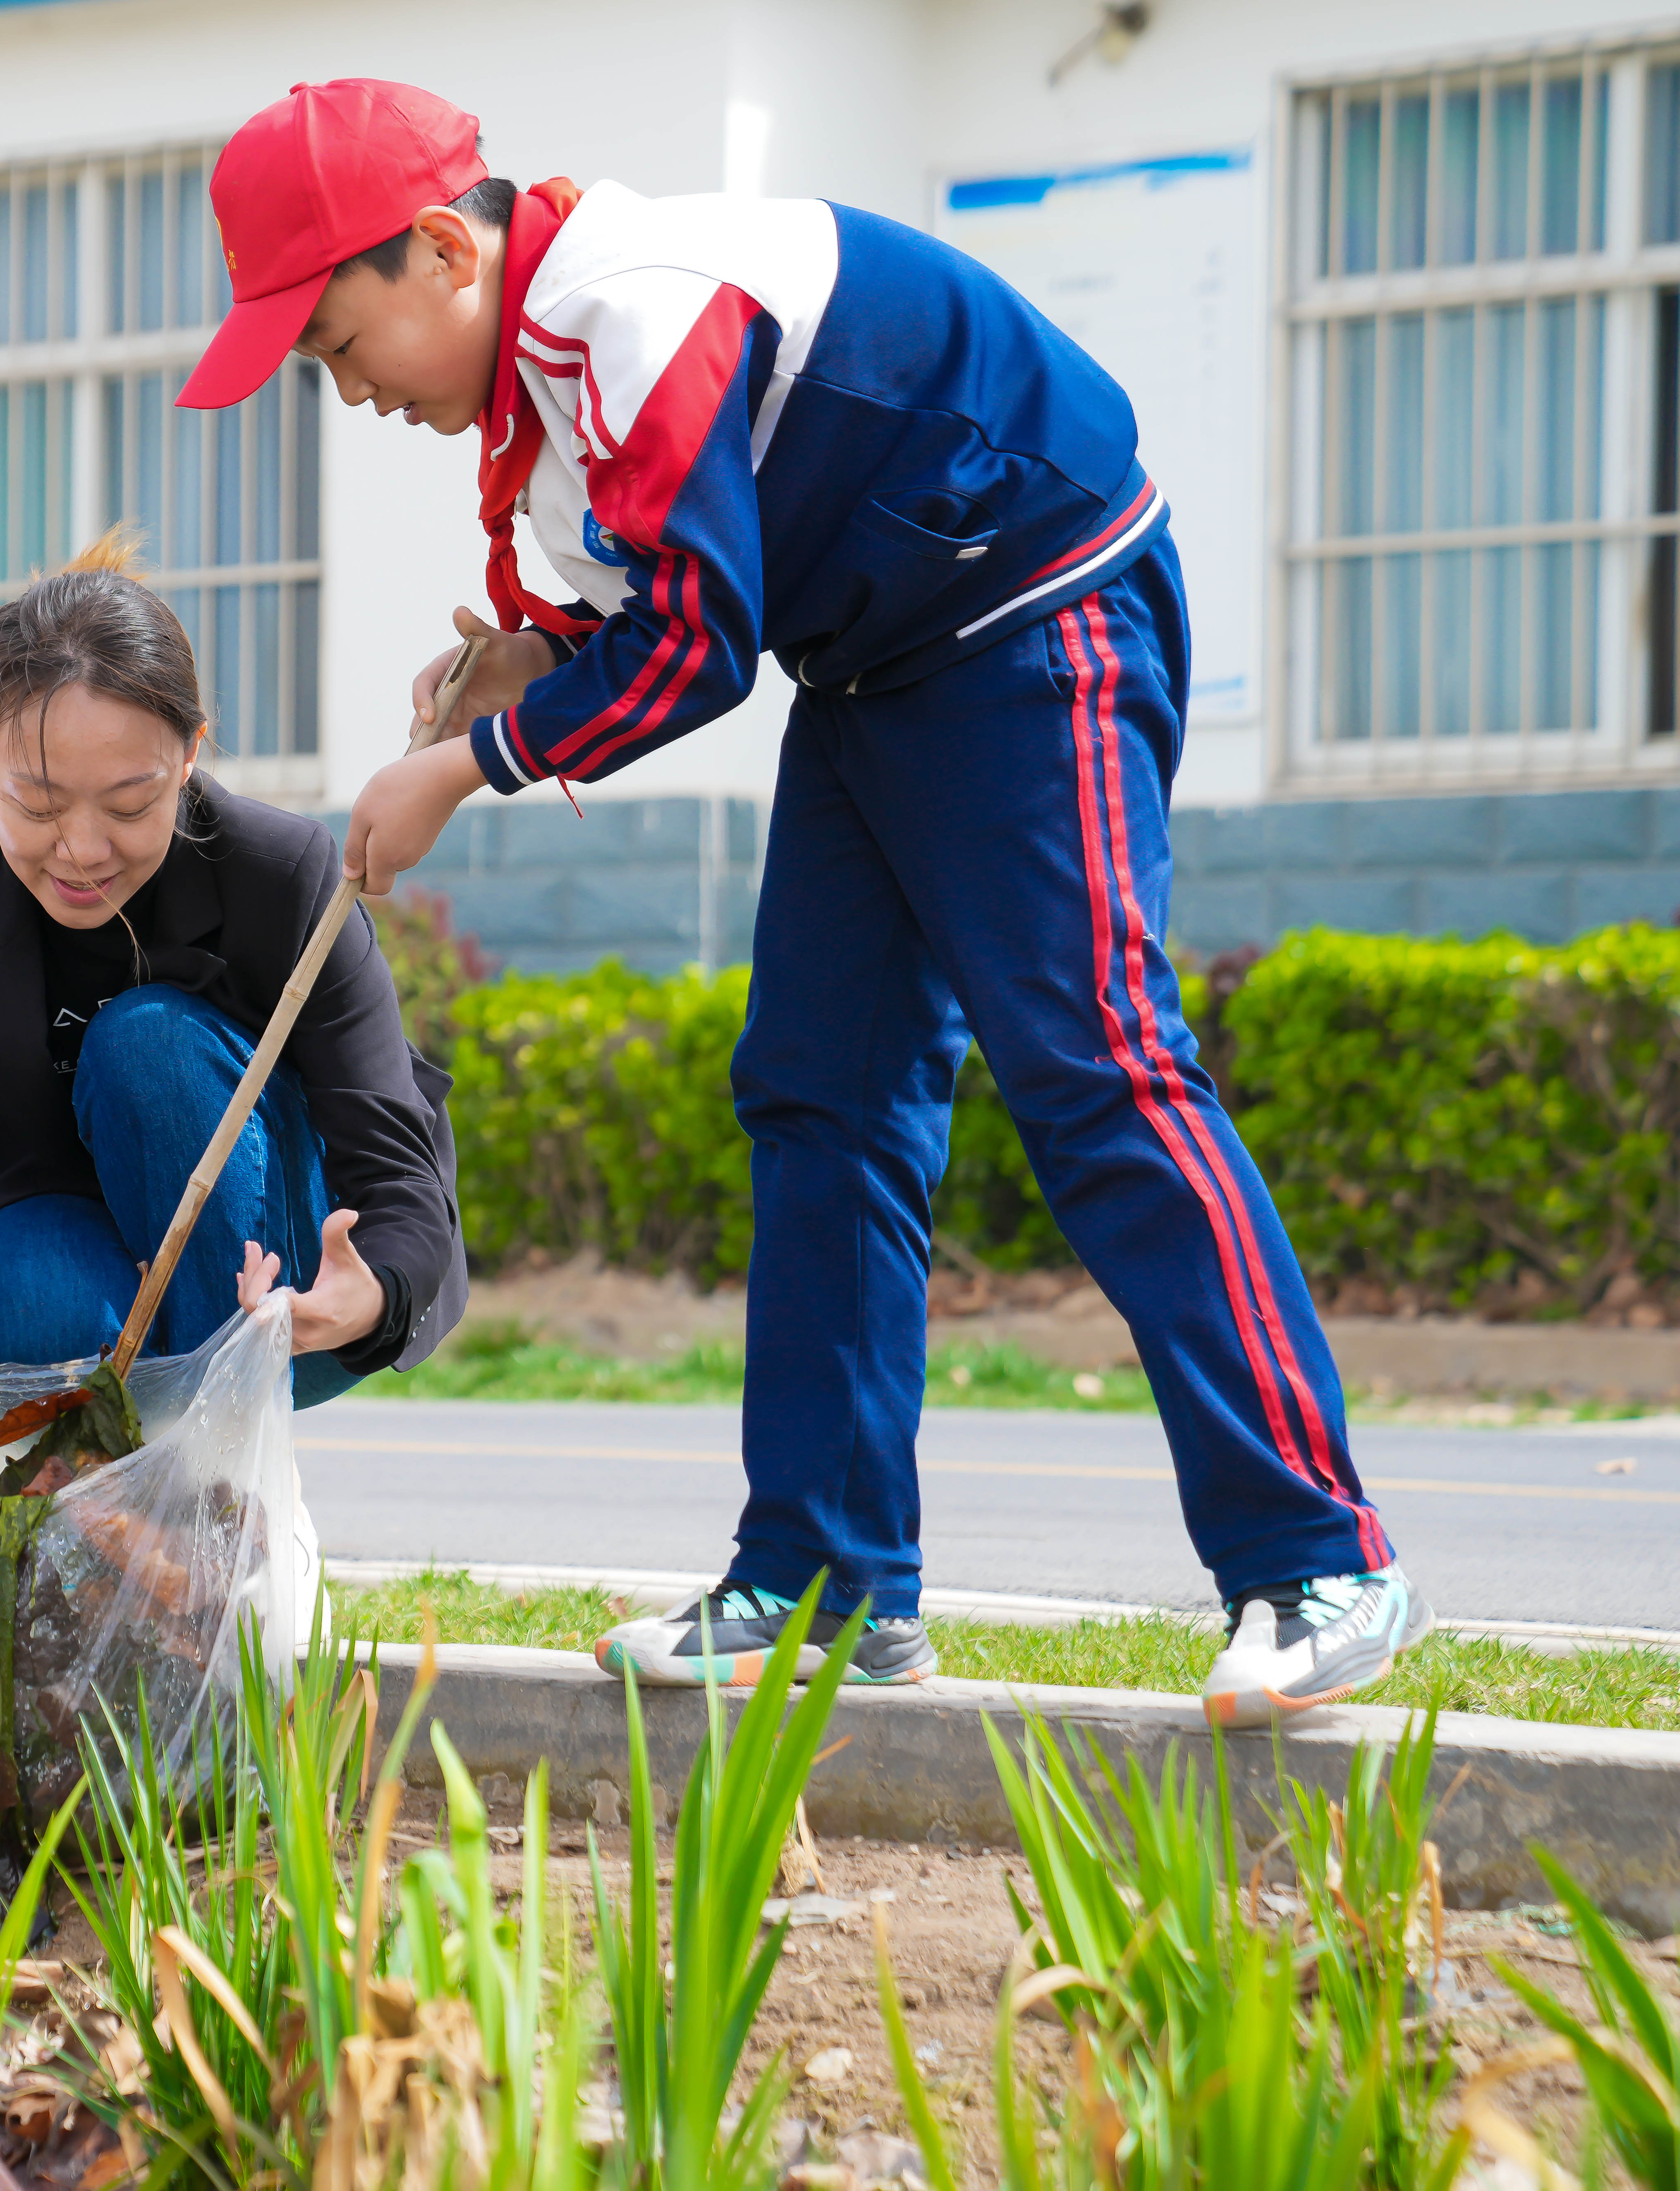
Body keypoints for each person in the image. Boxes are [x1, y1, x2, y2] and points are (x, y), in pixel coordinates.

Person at [176, 79, 1421, 1727]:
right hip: (876, 664)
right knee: (820, 1095)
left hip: (1037, 606)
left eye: (337, 347)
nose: (348, 395)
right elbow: (670, 596)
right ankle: (828, 1583)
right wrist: (530, 658)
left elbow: (698, 646)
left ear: (432, 253)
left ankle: (1318, 1557)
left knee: (1094, 1066)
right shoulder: (543, 386)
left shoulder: (631, 304)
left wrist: (469, 763)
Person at [0, 533, 468, 1420]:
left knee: (148, 1042)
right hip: (48, 1237)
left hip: (265, 1270)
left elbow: (400, 1169)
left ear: (192, 754)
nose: (81, 851)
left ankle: (225, 1470)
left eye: (130, 804)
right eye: (35, 804)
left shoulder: (284, 875)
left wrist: (375, 1289)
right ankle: (92, 1525)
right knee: (38, 1303)